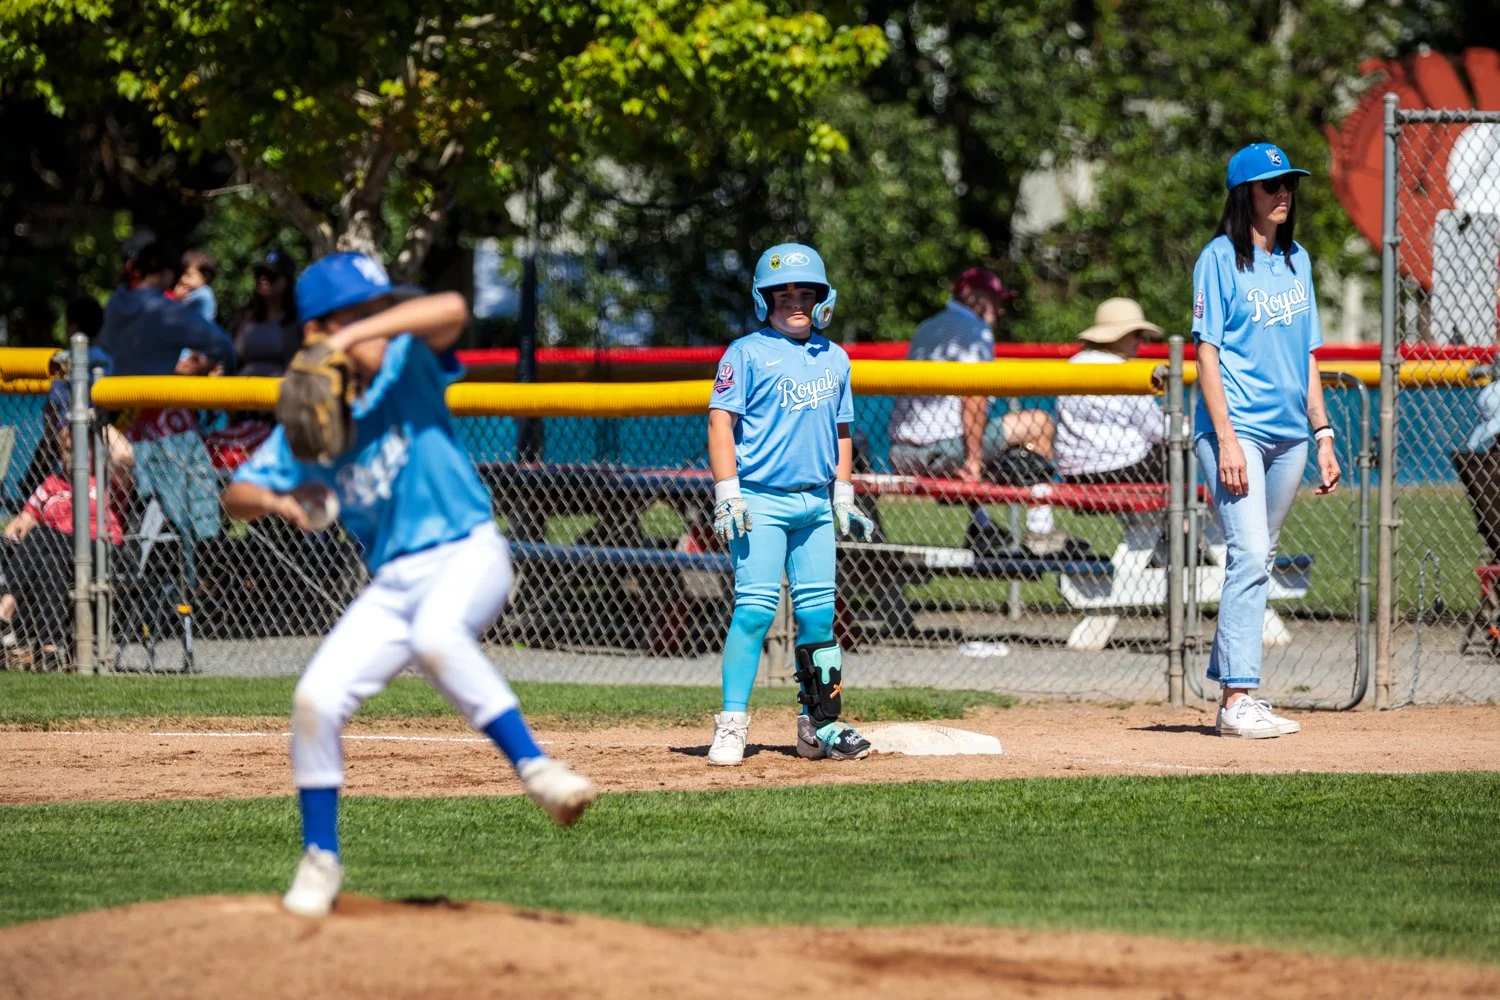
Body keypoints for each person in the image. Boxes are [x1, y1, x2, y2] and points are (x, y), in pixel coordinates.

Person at [221, 252, 596, 917]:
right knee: (315, 697)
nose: (379, 326)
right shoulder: (315, 418)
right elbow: (238, 492)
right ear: (316, 330)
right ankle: (320, 859)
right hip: (393, 582)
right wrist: (283, 502)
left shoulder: (407, 366)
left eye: (378, 313)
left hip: (468, 552)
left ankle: (538, 771)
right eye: (362, 315)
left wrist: (342, 336)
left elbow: (451, 308)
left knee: (436, 637)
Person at [706, 242, 876, 767]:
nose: (794, 302)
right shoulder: (746, 353)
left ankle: (819, 726)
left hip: (815, 505)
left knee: (819, 615)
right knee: (755, 612)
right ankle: (732, 724)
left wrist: (844, 492)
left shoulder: (836, 357)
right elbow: (720, 422)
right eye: (783, 294)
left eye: (806, 293)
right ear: (763, 299)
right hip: (760, 499)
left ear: (824, 299)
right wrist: (727, 492)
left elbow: (842, 430)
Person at [1193, 142, 1341, 739]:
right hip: (1238, 432)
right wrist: (1226, 438)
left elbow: (1307, 355)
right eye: (1270, 185)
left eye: (1289, 185)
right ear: (1244, 195)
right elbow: (1207, 351)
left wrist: (1323, 433)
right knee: (1250, 555)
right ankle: (1237, 701)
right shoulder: (1218, 259)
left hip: (1289, 438)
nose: (1283, 195)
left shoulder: (1298, 260)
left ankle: (1234, 686)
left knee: (1258, 560)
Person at [887, 267, 1074, 556]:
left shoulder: (928, 326)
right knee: (1040, 423)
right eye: (994, 300)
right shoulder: (974, 330)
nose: (999, 310)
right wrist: (974, 461)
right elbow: (973, 394)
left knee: (993, 442)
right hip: (942, 452)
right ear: (972, 297)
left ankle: (983, 525)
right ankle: (1040, 530)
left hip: (901, 455)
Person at [0, 423, 133, 668]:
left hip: (102, 552)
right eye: (67, 449)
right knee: (48, 559)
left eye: (81, 449)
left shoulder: (105, 479)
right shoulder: (51, 484)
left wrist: (99, 422)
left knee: (42, 537)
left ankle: (5, 609)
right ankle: (49, 653)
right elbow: (20, 524)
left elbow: (124, 454)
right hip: (59, 555)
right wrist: (13, 534)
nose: (72, 456)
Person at [1054, 298, 1168, 484]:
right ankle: (1186, 514)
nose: (1141, 341)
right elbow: (1159, 429)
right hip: (1124, 467)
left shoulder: (1074, 362)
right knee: (1184, 451)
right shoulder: (1125, 371)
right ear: (1119, 335)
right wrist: (1186, 427)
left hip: (1073, 473)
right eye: (1136, 334)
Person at [95, 232, 236, 377]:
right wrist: (202, 369)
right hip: (153, 397)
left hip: (111, 396)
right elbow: (224, 346)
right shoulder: (168, 313)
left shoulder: (114, 303)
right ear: (167, 273)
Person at [234, 248, 302, 377]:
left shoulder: (298, 322)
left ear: (286, 281)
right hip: (242, 392)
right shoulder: (244, 318)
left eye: (271, 275)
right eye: (259, 274)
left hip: (279, 394)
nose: (263, 279)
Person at [172, 248, 220, 325]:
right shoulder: (195, 294)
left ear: (205, 277)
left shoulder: (203, 295)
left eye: (188, 275)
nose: (182, 279)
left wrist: (179, 299)